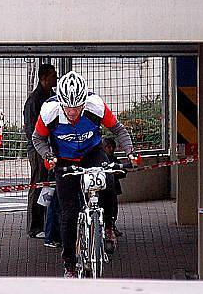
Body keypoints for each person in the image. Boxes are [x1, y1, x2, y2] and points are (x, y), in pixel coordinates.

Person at [32, 70, 138, 278]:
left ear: (84, 101)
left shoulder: (95, 106)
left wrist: (130, 151)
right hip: (64, 159)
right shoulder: (49, 111)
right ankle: (70, 265)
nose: (72, 112)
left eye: (77, 107)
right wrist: (48, 155)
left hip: (92, 152)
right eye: (68, 107)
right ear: (60, 102)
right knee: (68, 214)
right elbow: (38, 139)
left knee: (108, 178)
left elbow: (118, 130)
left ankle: (108, 224)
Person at [23, 63, 58, 238]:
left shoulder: (51, 97)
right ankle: (35, 226)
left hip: (49, 147)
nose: (56, 78)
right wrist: (43, 147)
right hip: (38, 149)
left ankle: (45, 223)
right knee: (38, 183)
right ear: (44, 78)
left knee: (48, 184)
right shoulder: (34, 101)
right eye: (53, 75)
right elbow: (31, 131)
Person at [101, 136, 124, 238]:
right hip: (101, 189)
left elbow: (123, 171)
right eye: (108, 147)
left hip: (112, 188)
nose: (110, 149)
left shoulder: (114, 159)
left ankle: (111, 226)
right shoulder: (99, 159)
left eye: (112, 147)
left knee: (113, 208)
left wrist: (116, 173)